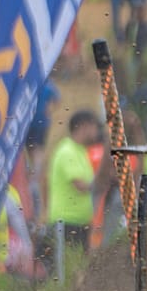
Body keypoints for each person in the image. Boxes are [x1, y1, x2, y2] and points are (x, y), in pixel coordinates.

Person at [45, 110, 103, 261]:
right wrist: (104, 180)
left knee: (80, 269)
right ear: (84, 126)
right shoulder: (67, 151)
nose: (97, 131)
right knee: (66, 271)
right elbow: (81, 185)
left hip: (81, 223)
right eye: (95, 127)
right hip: (66, 223)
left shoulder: (82, 151)